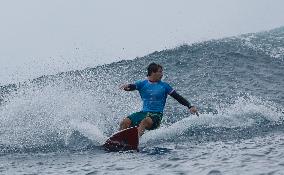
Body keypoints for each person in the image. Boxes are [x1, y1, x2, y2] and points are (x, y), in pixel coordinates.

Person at [119, 62, 198, 137]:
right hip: (144, 113)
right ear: (153, 72)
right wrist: (127, 87)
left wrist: (190, 106)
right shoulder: (142, 84)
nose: (162, 74)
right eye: (160, 72)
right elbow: (132, 86)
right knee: (125, 122)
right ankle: (118, 140)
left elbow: (177, 97)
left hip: (156, 116)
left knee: (145, 121)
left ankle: (136, 141)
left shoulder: (164, 86)